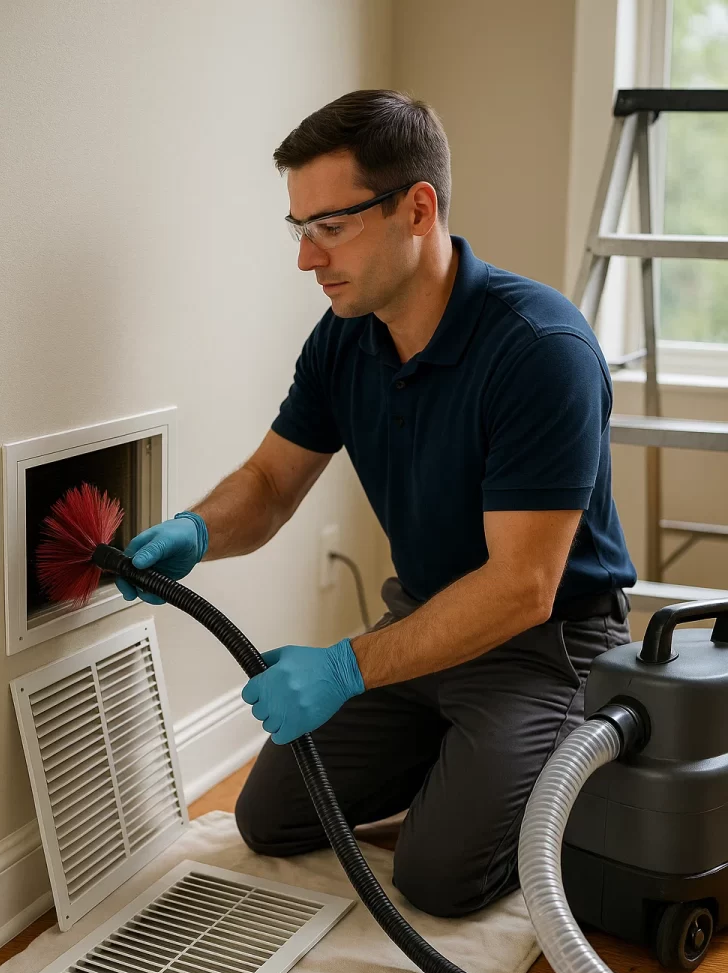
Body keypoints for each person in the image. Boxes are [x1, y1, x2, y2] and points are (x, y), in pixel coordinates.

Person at [117, 89, 636, 918]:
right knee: (270, 817)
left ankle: (549, 761)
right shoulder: (345, 335)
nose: (306, 259)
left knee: (439, 879)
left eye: (331, 227)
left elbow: (521, 587)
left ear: (417, 209)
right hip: (423, 620)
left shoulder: (541, 351)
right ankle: (462, 760)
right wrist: (194, 531)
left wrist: (347, 667)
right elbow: (272, 483)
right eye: (300, 229)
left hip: (545, 645)